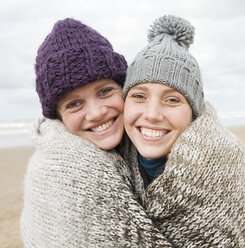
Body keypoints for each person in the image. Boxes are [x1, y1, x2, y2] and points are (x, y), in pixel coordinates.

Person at [121, 15, 245, 247]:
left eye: (172, 99)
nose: (152, 114)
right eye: (139, 96)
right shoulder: (113, 161)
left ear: (193, 111)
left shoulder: (223, 164)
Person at [20, 18, 173, 247]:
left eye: (104, 91)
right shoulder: (59, 173)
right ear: (58, 117)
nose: (96, 113)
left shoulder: (154, 142)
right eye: (74, 104)